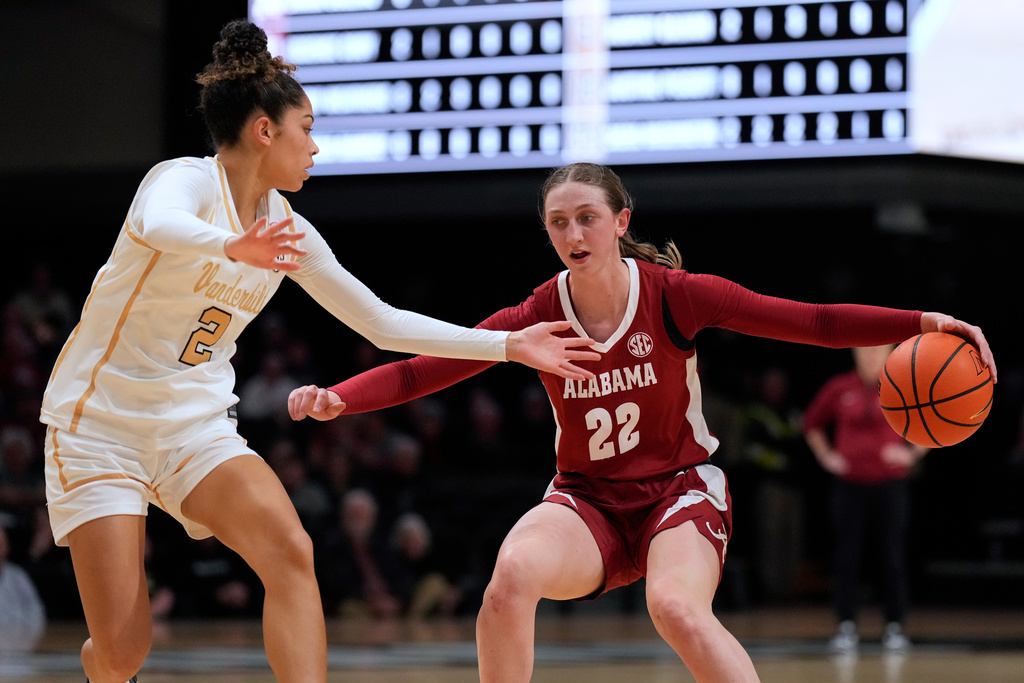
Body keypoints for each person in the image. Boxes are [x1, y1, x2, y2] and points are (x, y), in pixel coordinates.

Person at [36, 20, 598, 683]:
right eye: (306, 127)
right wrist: (229, 247)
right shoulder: (184, 182)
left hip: (191, 427)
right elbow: (159, 224)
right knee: (124, 648)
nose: (316, 145)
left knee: (290, 549)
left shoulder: (289, 230)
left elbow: (382, 322)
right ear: (264, 131)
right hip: (100, 425)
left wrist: (509, 345)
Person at [288, 162, 997, 683]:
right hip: (587, 500)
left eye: (587, 217)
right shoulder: (539, 312)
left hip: (679, 490)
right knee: (508, 580)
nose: (573, 232)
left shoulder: (675, 297)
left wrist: (927, 319)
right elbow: (423, 368)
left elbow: (810, 321)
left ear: (621, 221)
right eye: (559, 221)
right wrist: (339, 398)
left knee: (676, 608)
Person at [802, 344, 931, 653]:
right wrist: (827, 456)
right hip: (849, 486)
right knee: (846, 557)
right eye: (865, 350)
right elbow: (811, 423)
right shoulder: (840, 387)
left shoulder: (903, 386)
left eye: (877, 351)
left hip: (890, 484)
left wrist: (910, 454)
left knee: (892, 556)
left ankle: (895, 627)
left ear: (889, 354)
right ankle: (846, 627)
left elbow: (934, 424)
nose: (871, 356)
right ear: (855, 353)